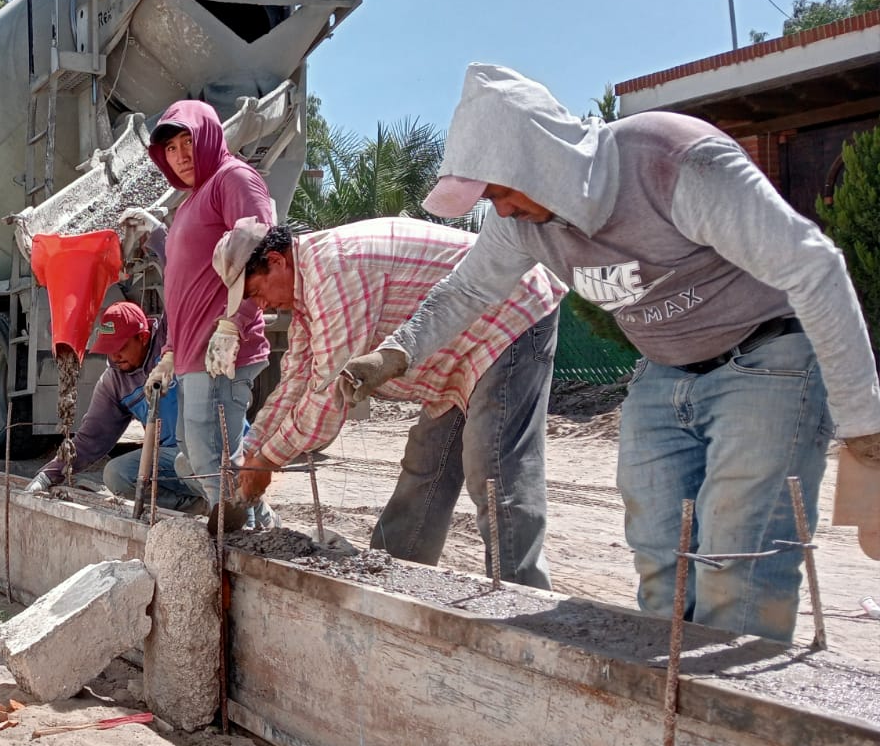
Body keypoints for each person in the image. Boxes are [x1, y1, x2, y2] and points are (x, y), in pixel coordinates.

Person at [344, 63, 880, 641]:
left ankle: (728, 717)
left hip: (767, 360)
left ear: (538, 159)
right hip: (661, 372)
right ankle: (670, 705)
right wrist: (396, 352)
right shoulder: (524, 224)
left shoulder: (671, 163)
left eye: (499, 190)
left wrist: (863, 423)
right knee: (659, 559)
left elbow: (814, 266)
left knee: (740, 566)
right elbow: (468, 290)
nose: (498, 208)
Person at [219, 218, 564, 587]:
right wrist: (250, 454)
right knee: (426, 463)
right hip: (456, 349)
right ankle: (392, 579)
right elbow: (295, 382)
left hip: (509, 314)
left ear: (276, 260)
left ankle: (521, 597)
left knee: (493, 469)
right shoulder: (306, 289)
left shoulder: (334, 272)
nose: (262, 305)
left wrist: (268, 460)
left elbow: (327, 397)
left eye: (256, 292)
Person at [139, 99, 277, 526]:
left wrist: (233, 326)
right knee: (194, 454)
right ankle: (256, 521)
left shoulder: (232, 179)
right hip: (191, 354)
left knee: (210, 455)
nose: (180, 156)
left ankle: (242, 543)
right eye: (171, 148)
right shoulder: (189, 203)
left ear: (209, 137)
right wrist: (168, 353)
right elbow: (186, 289)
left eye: (187, 141)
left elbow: (263, 252)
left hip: (221, 351)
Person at [25, 302, 201, 511]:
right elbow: (90, 438)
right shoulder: (114, 383)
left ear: (143, 338)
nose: (114, 356)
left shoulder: (168, 339)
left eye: (121, 347)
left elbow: (181, 297)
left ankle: (237, 514)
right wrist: (47, 475)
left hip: (208, 446)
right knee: (117, 474)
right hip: (170, 457)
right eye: (109, 349)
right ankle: (196, 510)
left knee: (194, 464)